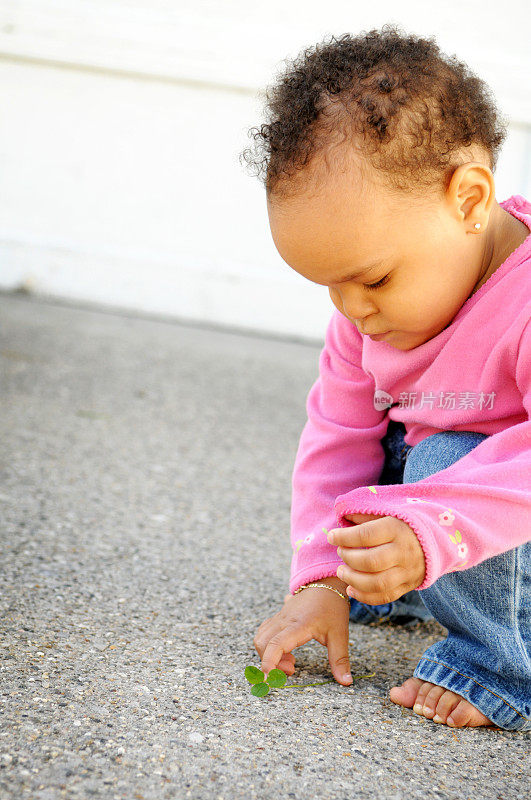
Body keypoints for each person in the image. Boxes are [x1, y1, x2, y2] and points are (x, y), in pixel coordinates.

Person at [241, 25, 531, 731]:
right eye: (328, 287)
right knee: (393, 466)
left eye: (370, 278)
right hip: (457, 520)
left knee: (438, 459)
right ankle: (398, 573)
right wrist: (319, 577)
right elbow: (335, 443)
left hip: (505, 504)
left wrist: (428, 523)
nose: (351, 311)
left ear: (467, 200)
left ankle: (497, 664)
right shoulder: (363, 316)